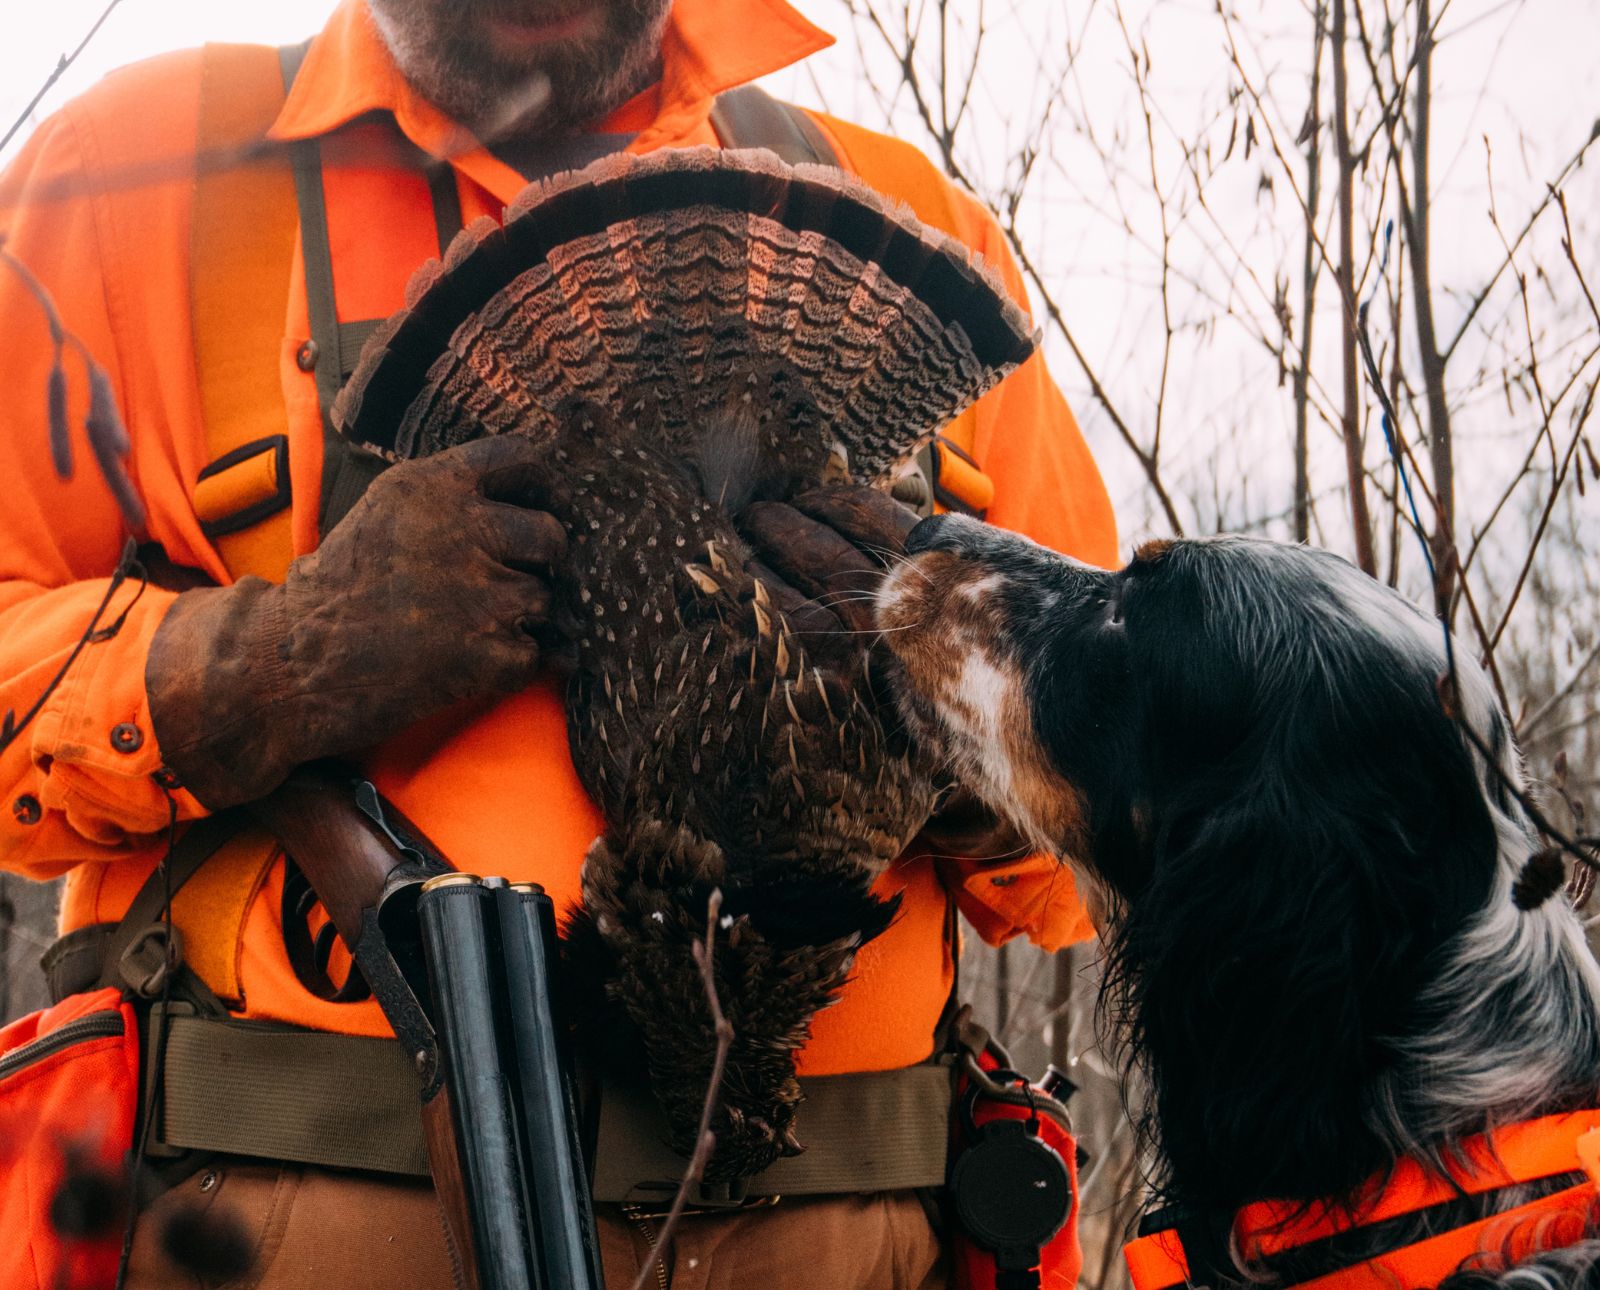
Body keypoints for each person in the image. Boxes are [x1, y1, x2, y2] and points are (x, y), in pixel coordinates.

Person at [0, 0, 1118, 1285]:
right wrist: (270, 663)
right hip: (282, 1215)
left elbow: (1081, 856)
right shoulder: (134, 171)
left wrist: (957, 722)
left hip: (861, 1223)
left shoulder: (906, 207)